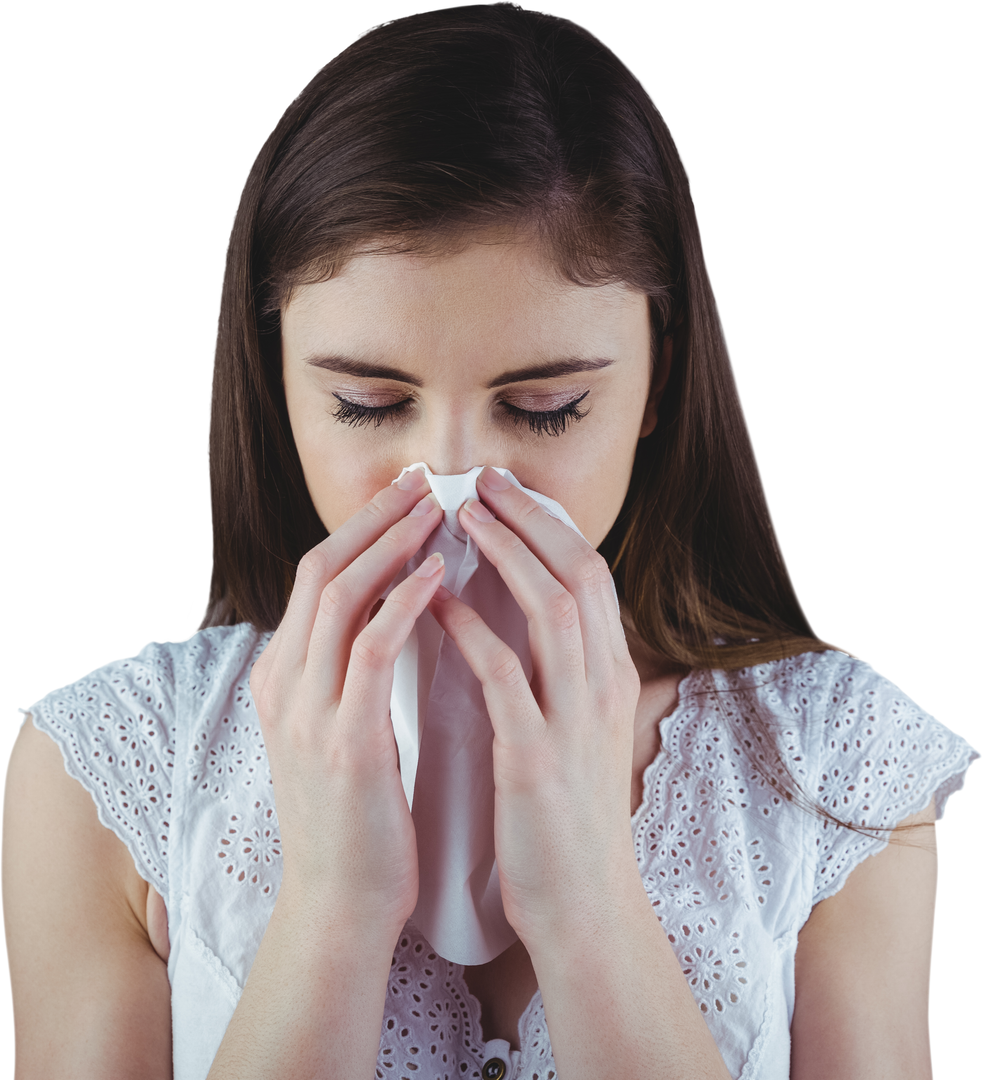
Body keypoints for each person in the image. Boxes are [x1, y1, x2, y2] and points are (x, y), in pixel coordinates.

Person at [3, 4, 978, 1078]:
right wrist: (333, 905)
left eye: (545, 407)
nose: (452, 488)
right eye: (370, 405)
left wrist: (588, 901)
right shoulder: (111, 763)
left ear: (655, 380)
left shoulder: (831, 764)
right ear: (276, 382)